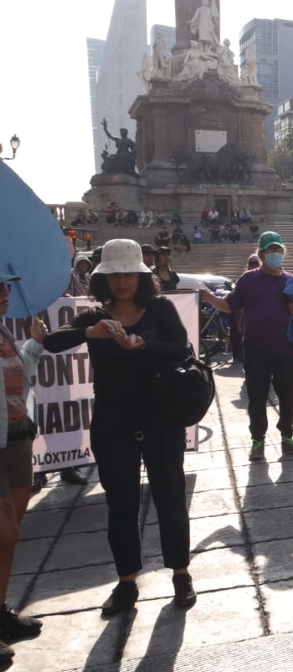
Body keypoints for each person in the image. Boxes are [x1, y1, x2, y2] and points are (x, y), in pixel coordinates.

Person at [43, 239, 196, 616]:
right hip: (114, 422)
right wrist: (89, 333)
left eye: (129, 274)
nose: (123, 282)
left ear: (141, 277)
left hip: (161, 419)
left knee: (171, 498)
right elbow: (52, 341)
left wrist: (142, 345)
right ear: (103, 279)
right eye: (114, 275)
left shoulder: (159, 309)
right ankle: (126, 582)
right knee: (121, 506)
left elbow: (182, 349)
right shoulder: (95, 316)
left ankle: (181, 574)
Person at [200, 232, 293, 462]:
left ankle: (287, 436)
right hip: (256, 350)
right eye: (269, 250)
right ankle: (258, 440)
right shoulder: (248, 279)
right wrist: (209, 298)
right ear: (261, 253)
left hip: (286, 350)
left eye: (278, 250)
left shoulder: (291, 280)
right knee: (256, 397)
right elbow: (229, 305)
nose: (274, 254)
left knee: (287, 397)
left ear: (283, 252)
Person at [0, 274, 47, 663]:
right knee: (4, 532)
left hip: (18, 439)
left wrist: (35, 340)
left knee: (9, 537)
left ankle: (0, 613)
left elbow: (21, 373)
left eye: (6, 287)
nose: (4, 294)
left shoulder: (4, 332)